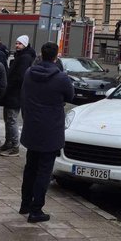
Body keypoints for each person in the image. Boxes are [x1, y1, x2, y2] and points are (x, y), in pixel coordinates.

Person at [19, 41, 74, 222]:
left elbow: (24, 94)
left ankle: (25, 204)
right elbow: (70, 96)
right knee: (44, 171)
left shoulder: (29, 73)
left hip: (32, 127)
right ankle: (36, 210)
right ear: (56, 56)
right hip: (51, 130)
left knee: (30, 168)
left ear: (41, 55)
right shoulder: (61, 78)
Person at [0, 35, 36, 156]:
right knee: (8, 119)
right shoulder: (21, 56)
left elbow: (19, 77)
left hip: (15, 94)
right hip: (12, 93)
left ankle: (14, 146)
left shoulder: (25, 58)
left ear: (25, 44)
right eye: (16, 43)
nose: (17, 45)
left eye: (19, 43)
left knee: (11, 120)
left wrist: (9, 84)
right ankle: (8, 143)